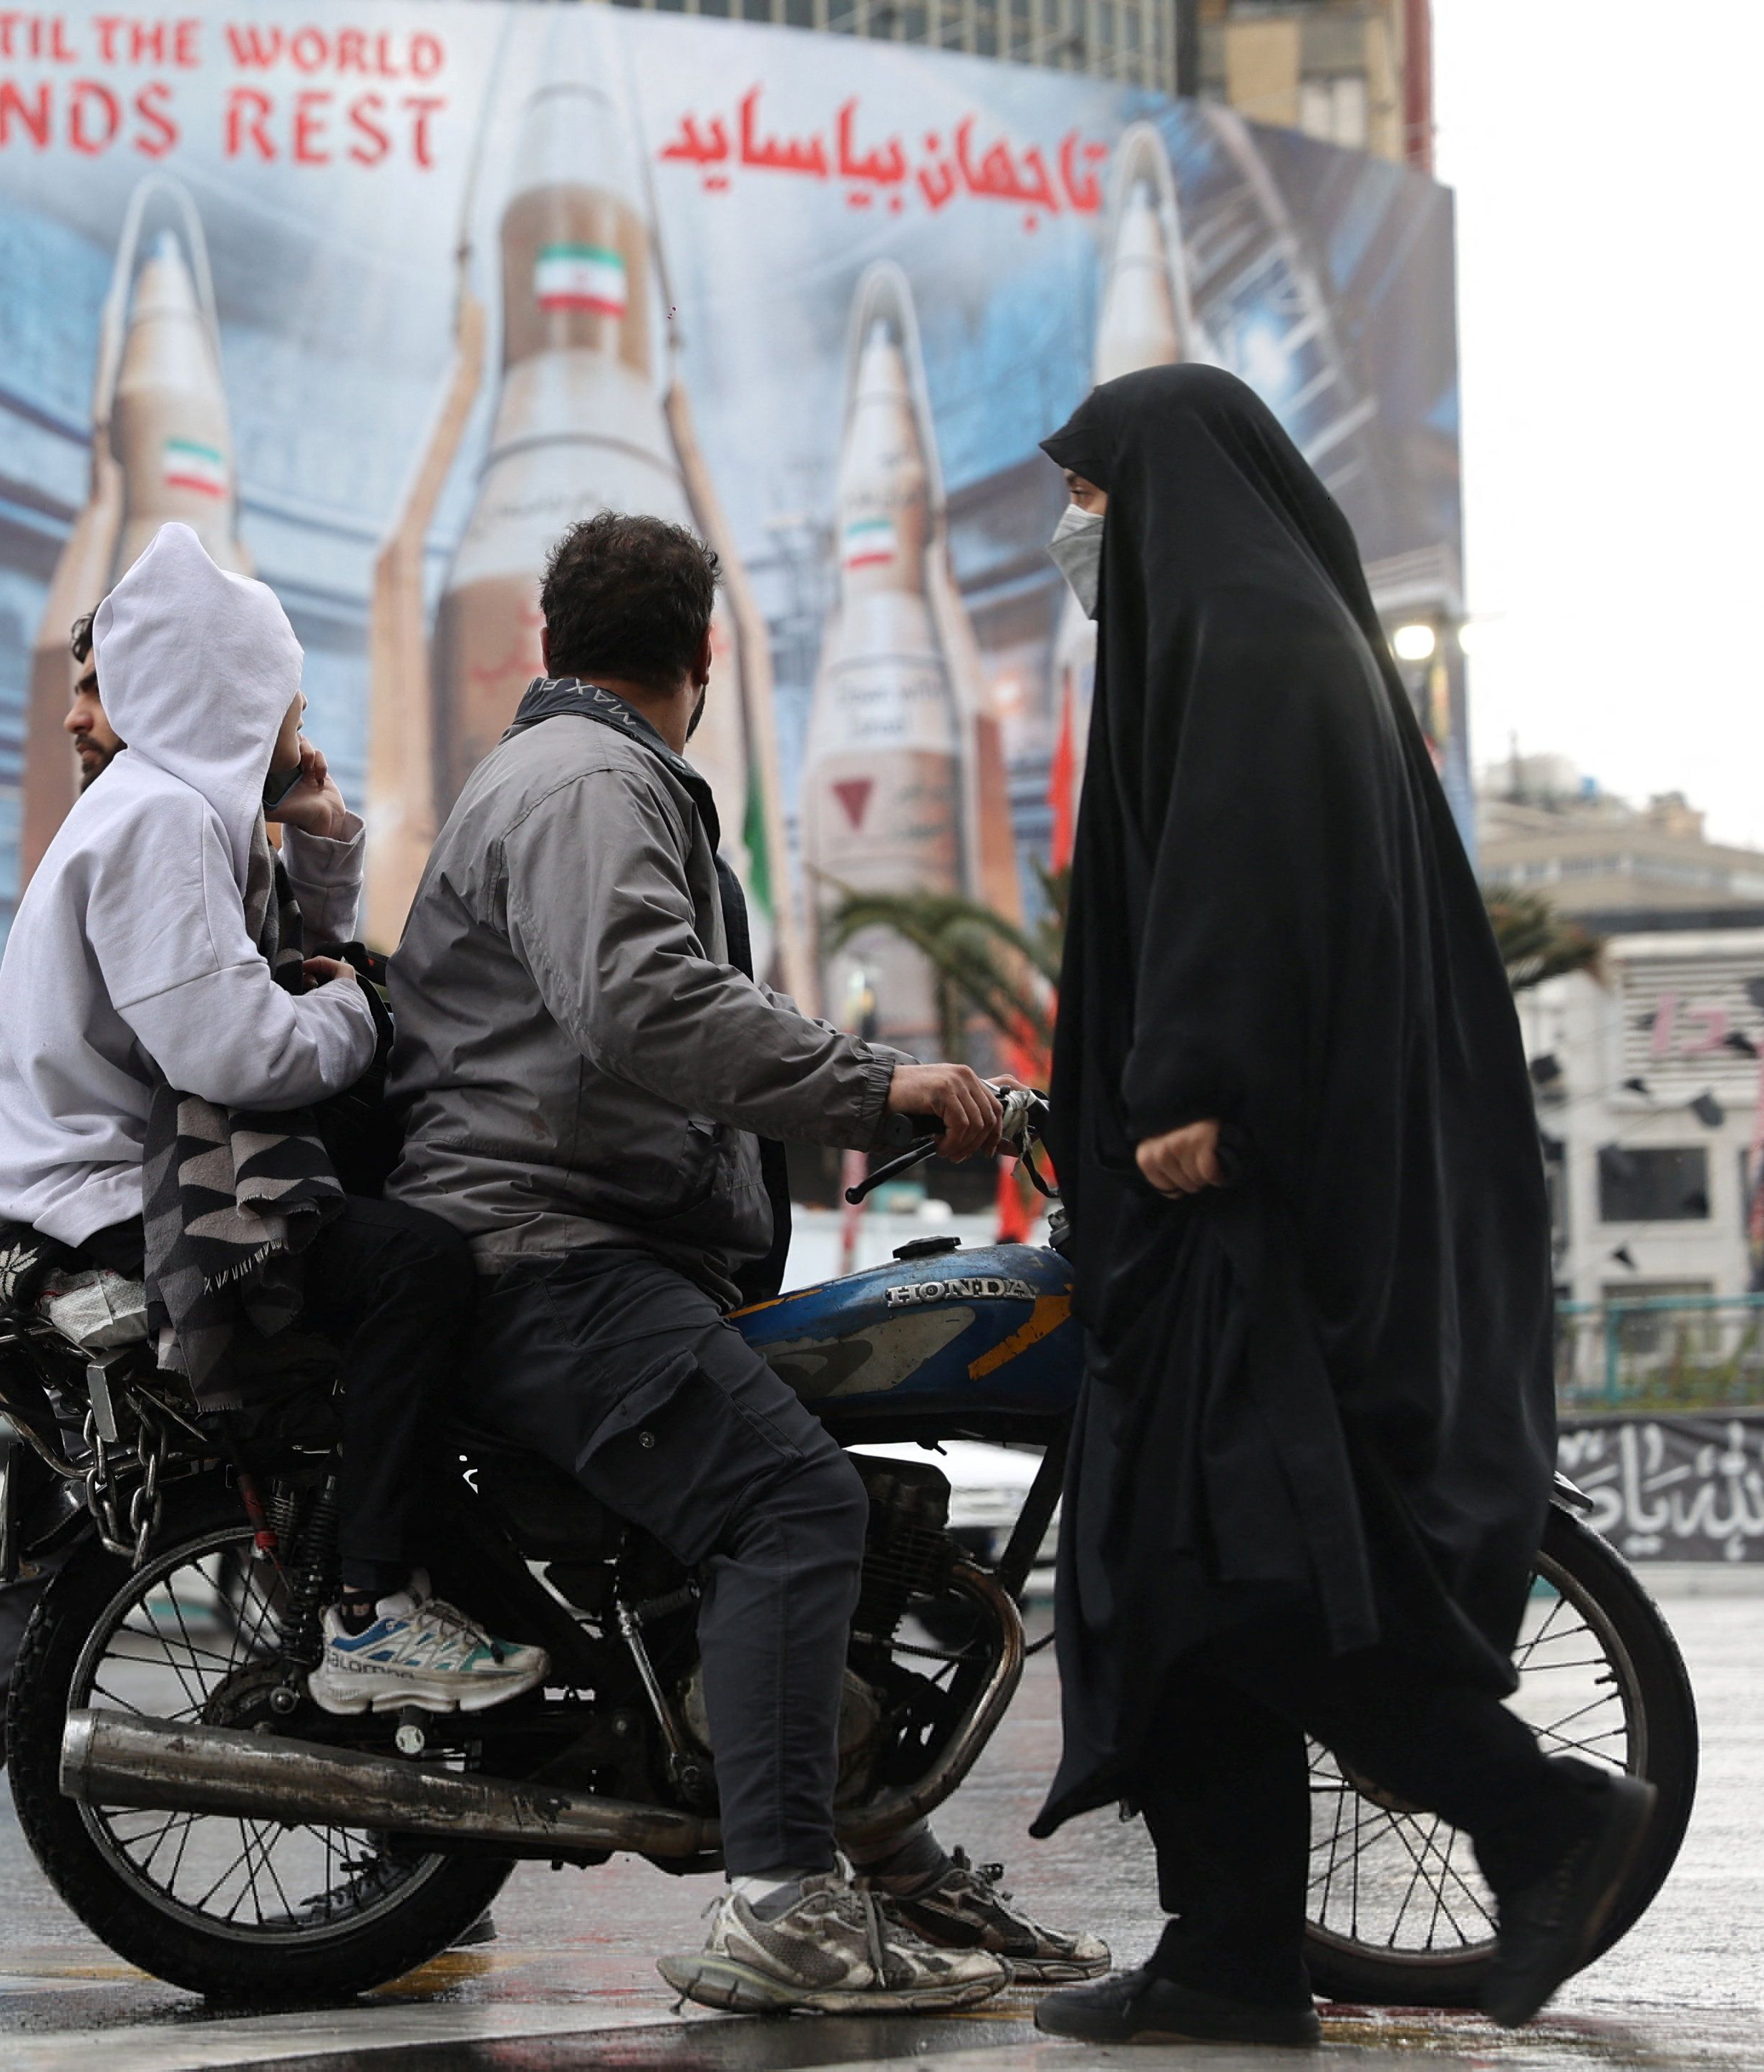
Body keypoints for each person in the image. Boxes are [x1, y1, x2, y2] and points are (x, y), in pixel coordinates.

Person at [0, 523, 544, 1938]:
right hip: (126, 1222)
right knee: (415, 1277)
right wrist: (363, 1008)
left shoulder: (172, 816)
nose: (289, 719)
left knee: (68, 1543)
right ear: (228, 684)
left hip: (82, 1213)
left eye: (101, 682)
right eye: (272, 690)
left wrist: (321, 839)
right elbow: (238, 1042)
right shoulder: (157, 818)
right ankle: (365, 1623)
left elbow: (245, 967)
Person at [385, 511, 1104, 2015]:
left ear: (550, 641)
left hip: (585, 1247)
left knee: (808, 1477)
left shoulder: (570, 772)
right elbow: (646, 1003)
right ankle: (780, 1902)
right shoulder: (591, 784)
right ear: (700, 656)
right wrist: (880, 1082)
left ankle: (874, 1854)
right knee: (789, 1502)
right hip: (554, 1257)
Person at [1023, 364, 1653, 2051]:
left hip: (1244, 1213)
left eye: (1088, 497)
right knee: (1177, 1589)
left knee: (1229, 1577)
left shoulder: (1250, 643)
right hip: (1210, 1227)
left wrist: (1185, 1087)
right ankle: (1227, 1958)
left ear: (1161, 491)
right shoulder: (1247, 639)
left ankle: (1536, 1818)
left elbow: (1241, 882)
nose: (1072, 532)